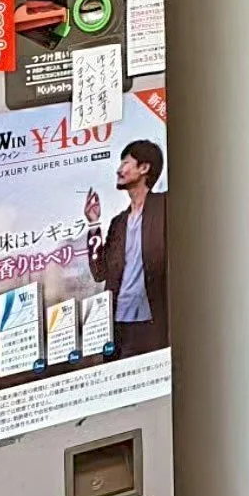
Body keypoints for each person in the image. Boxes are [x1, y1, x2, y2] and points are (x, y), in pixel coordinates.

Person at [85, 139, 168, 358]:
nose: (119, 169)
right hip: (118, 325)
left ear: (144, 168)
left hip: (155, 324)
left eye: (125, 162)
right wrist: (93, 223)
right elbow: (99, 272)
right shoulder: (118, 223)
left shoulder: (165, 206)